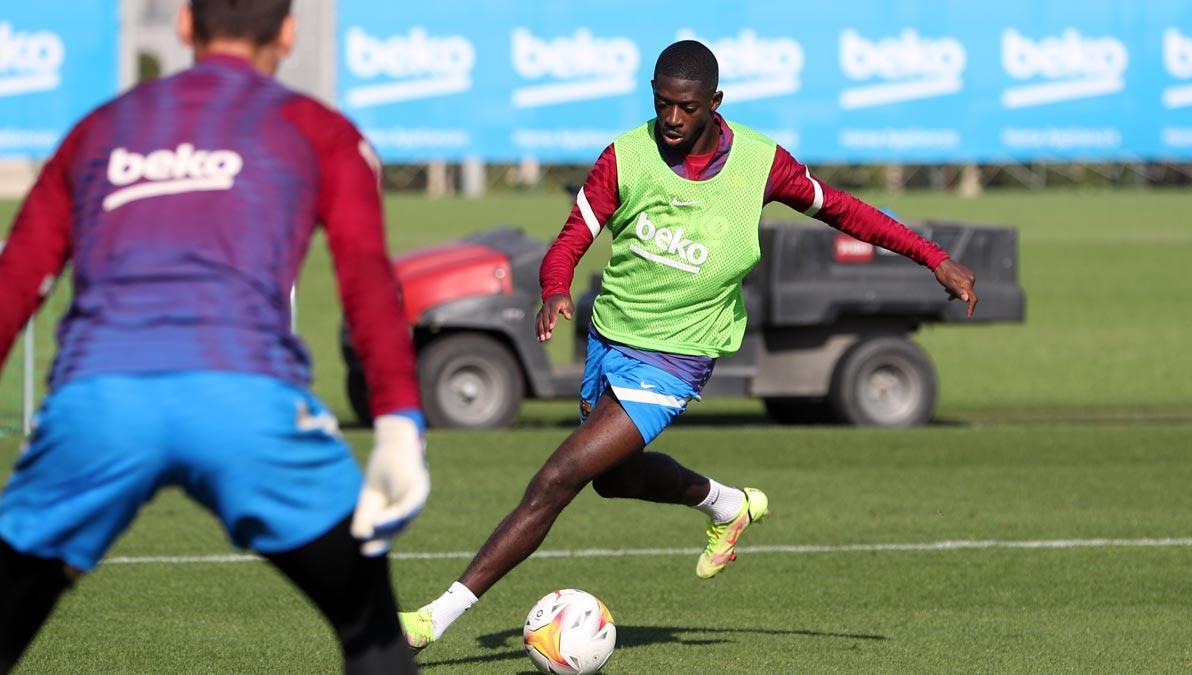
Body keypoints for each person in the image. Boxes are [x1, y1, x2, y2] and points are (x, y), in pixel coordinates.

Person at [398, 39, 979, 651]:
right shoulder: (626, 155)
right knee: (612, 480)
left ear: (715, 103)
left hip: (676, 359)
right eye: (662, 104)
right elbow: (570, 239)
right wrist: (554, 287)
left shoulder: (761, 164)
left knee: (556, 479)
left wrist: (933, 258)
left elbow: (845, 211)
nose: (672, 120)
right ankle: (727, 505)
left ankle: (433, 619)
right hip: (610, 338)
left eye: (687, 107)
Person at [0, 2, 429, 673]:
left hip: (97, 406)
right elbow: (367, 281)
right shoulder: (319, 129)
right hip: (246, 404)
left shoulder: (98, 128)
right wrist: (400, 422)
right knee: (373, 632)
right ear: (288, 32)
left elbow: (16, 280)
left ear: (183, 23)